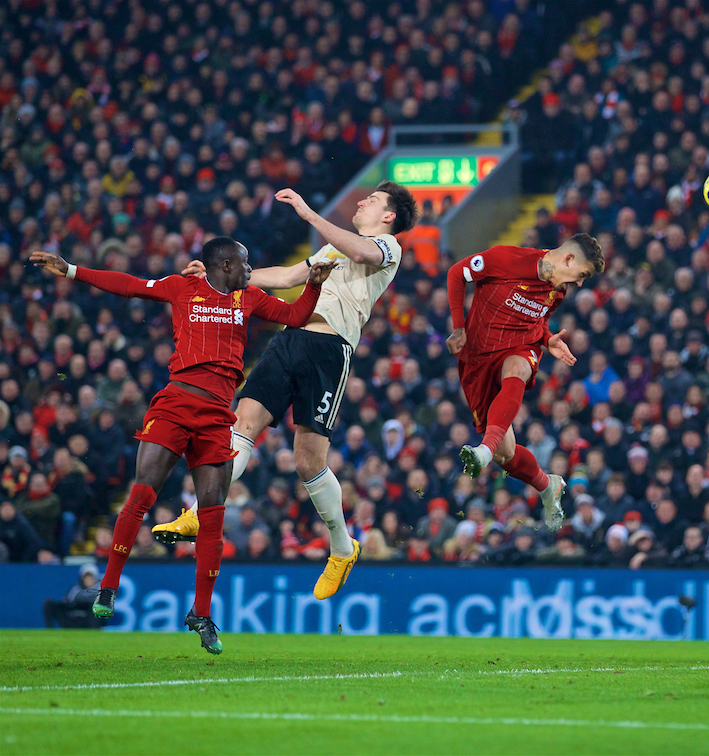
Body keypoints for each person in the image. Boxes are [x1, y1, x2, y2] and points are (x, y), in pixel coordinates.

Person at [31, 240, 332, 654]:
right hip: (175, 403)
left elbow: (297, 315)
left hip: (215, 417)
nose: (250, 269)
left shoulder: (251, 297)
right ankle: (108, 587)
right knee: (142, 493)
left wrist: (313, 285)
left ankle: (201, 614)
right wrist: (71, 270)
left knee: (212, 515)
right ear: (225, 264)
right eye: (245, 262)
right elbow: (130, 285)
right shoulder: (182, 286)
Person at [154, 182, 417, 601]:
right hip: (290, 338)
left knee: (307, 460)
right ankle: (199, 513)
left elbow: (363, 253)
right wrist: (222, 278)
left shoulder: (387, 246)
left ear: (389, 216)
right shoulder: (335, 248)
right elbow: (289, 276)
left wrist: (311, 215)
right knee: (243, 421)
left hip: (329, 350)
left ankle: (342, 549)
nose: (363, 200)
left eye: (374, 200)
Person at [448, 234, 605, 530]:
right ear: (568, 259)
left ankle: (483, 449)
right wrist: (458, 327)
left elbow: (538, 319)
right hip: (478, 360)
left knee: (518, 369)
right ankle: (548, 486)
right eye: (582, 275)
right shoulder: (506, 259)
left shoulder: (557, 290)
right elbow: (457, 273)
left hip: (520, 348)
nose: (580, 284)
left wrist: (546, 340)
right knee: (505, 455)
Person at [44, 564, 102, 629]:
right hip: (73, 619)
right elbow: (67, 602)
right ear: (82, 578)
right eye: (86, 577)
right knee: (49, 603)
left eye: (91, 577)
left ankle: (93, 630)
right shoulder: (75, 589)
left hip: (89, 620)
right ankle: (50, 629)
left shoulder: (100, 589)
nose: (89, 580)